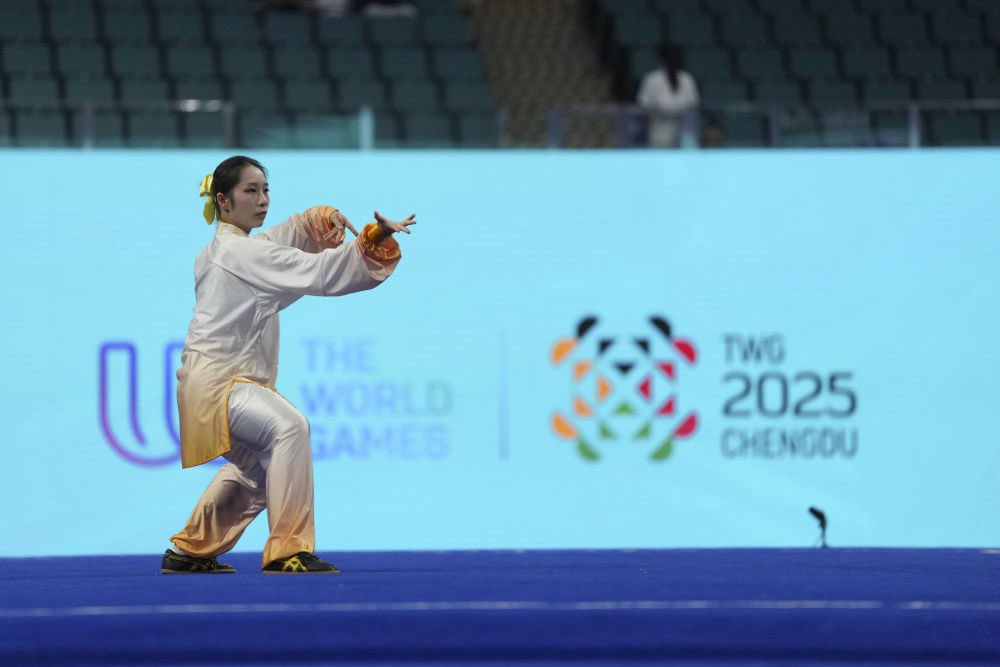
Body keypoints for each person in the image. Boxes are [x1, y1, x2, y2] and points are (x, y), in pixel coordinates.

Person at [161, 155, 415, 575]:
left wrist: (321, 220)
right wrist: (374, 237)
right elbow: (320, 272)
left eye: (266, 190)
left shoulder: (221, 250)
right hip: (221, 386)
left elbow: (285, 238)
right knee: (288, 427)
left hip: (204, 386)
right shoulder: (240, 254)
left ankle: (190, 551)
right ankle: (288, 552)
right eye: (250, 191)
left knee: (262, 472)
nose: (262, 200)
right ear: (223, 201)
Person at [636, 44, 701, 148]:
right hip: (659, 130)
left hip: (683, 130)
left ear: (660, 59)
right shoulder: (652, 79)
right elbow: (644, 108)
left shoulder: (686, 79)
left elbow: (692, 106)